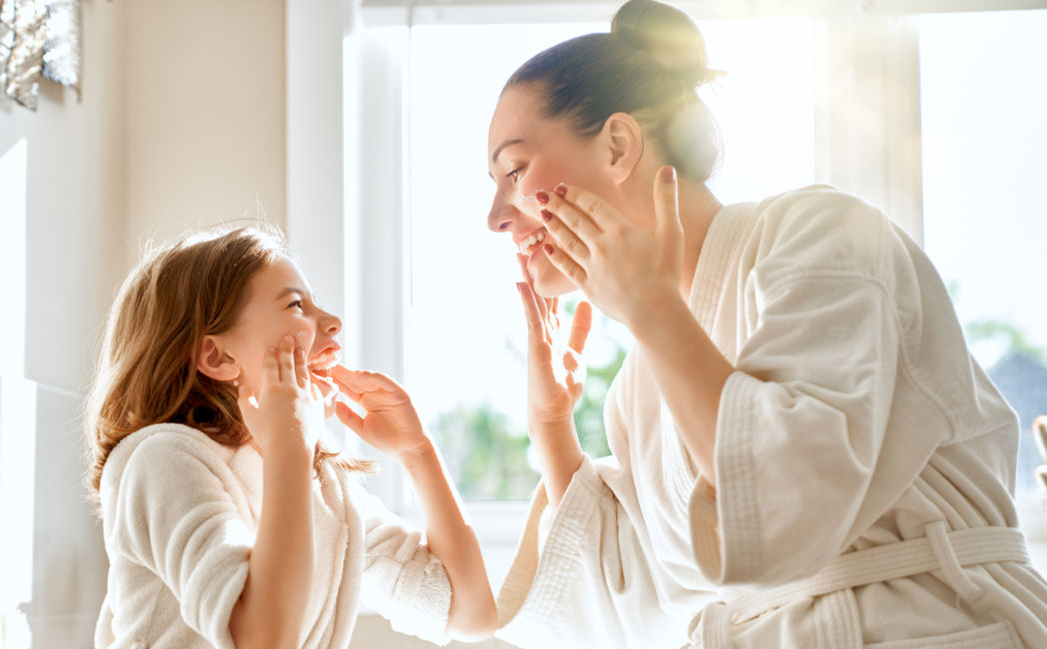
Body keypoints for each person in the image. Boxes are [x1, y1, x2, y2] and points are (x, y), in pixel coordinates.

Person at [484, 1, 1047, 647]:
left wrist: (654, 313)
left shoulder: (821, 234)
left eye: (514, 170)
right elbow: (640, 606)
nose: (497, 216)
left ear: (617, 145)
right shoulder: (639, 383)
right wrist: (553, 428)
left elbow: (787, 503)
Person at [85, 226, 496, 649]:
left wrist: (417, 451)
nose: (333, 323)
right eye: (296, 305)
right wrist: (291, 445)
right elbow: (264, 640)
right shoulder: (161, 460)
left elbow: (470, 614)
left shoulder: (324, 488)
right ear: (218, 356)